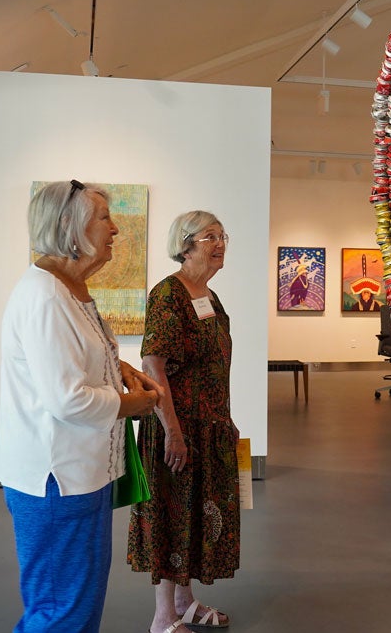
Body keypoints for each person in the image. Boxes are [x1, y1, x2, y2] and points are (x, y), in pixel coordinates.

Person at [0, 179, 163, 633]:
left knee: (74, 605)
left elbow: (71, 360)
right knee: (61, 612)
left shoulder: (68, 289)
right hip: (56, 479)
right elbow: (66, 398)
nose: (116, 229)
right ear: (69, 227)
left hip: (78, 476)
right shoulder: (48, 297)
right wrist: (133, 404)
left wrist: (119, 367)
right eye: (104, 218)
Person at [128, 210, 240, 633]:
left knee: (193, 515)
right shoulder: (168, 294)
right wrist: (172, 431)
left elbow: (214, 365)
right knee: (173, 515)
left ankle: (184, 602)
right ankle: (163, 617)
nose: (220, 243)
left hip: (207, 426)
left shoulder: (209, 296)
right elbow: (153, 365)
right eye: (210, 236)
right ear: (185, 245)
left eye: (222, 235)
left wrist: (225, 417)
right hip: (176, 426)